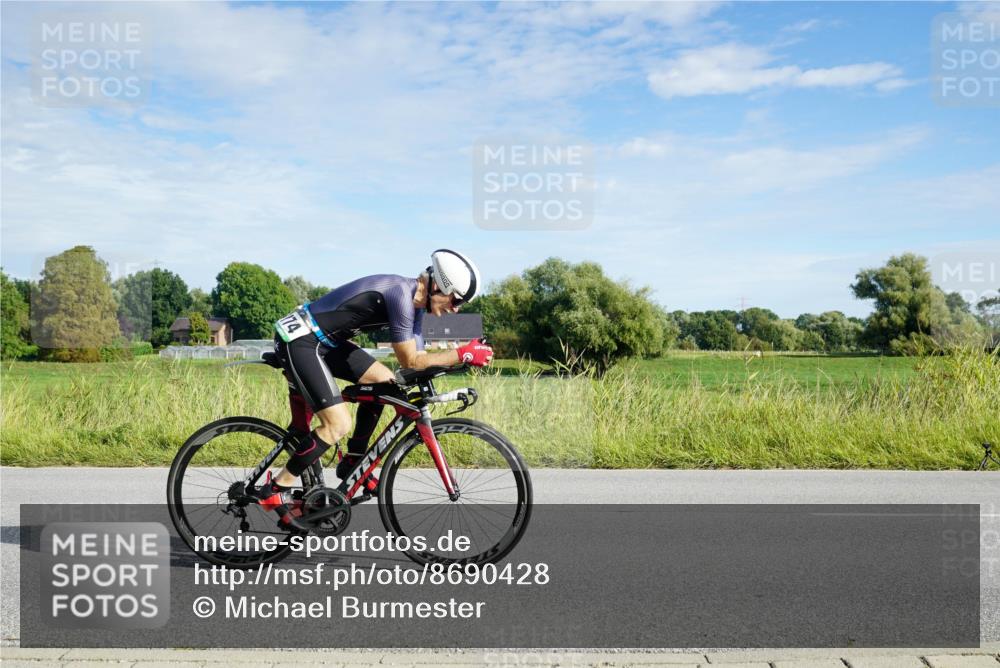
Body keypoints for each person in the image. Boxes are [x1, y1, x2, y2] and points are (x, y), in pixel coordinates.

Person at [255, 249, 494, 514]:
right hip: (302, 341)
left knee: (386, 382)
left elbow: (421, 360)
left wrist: (457, 360)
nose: (456, 308)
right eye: (457, 299)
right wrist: (463, 353)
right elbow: (410, 361)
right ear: (439, 285)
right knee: (337, 424)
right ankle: (275, 490)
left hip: (325, 342)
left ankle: (353, 461)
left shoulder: (415, 308)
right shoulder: (401, 296)